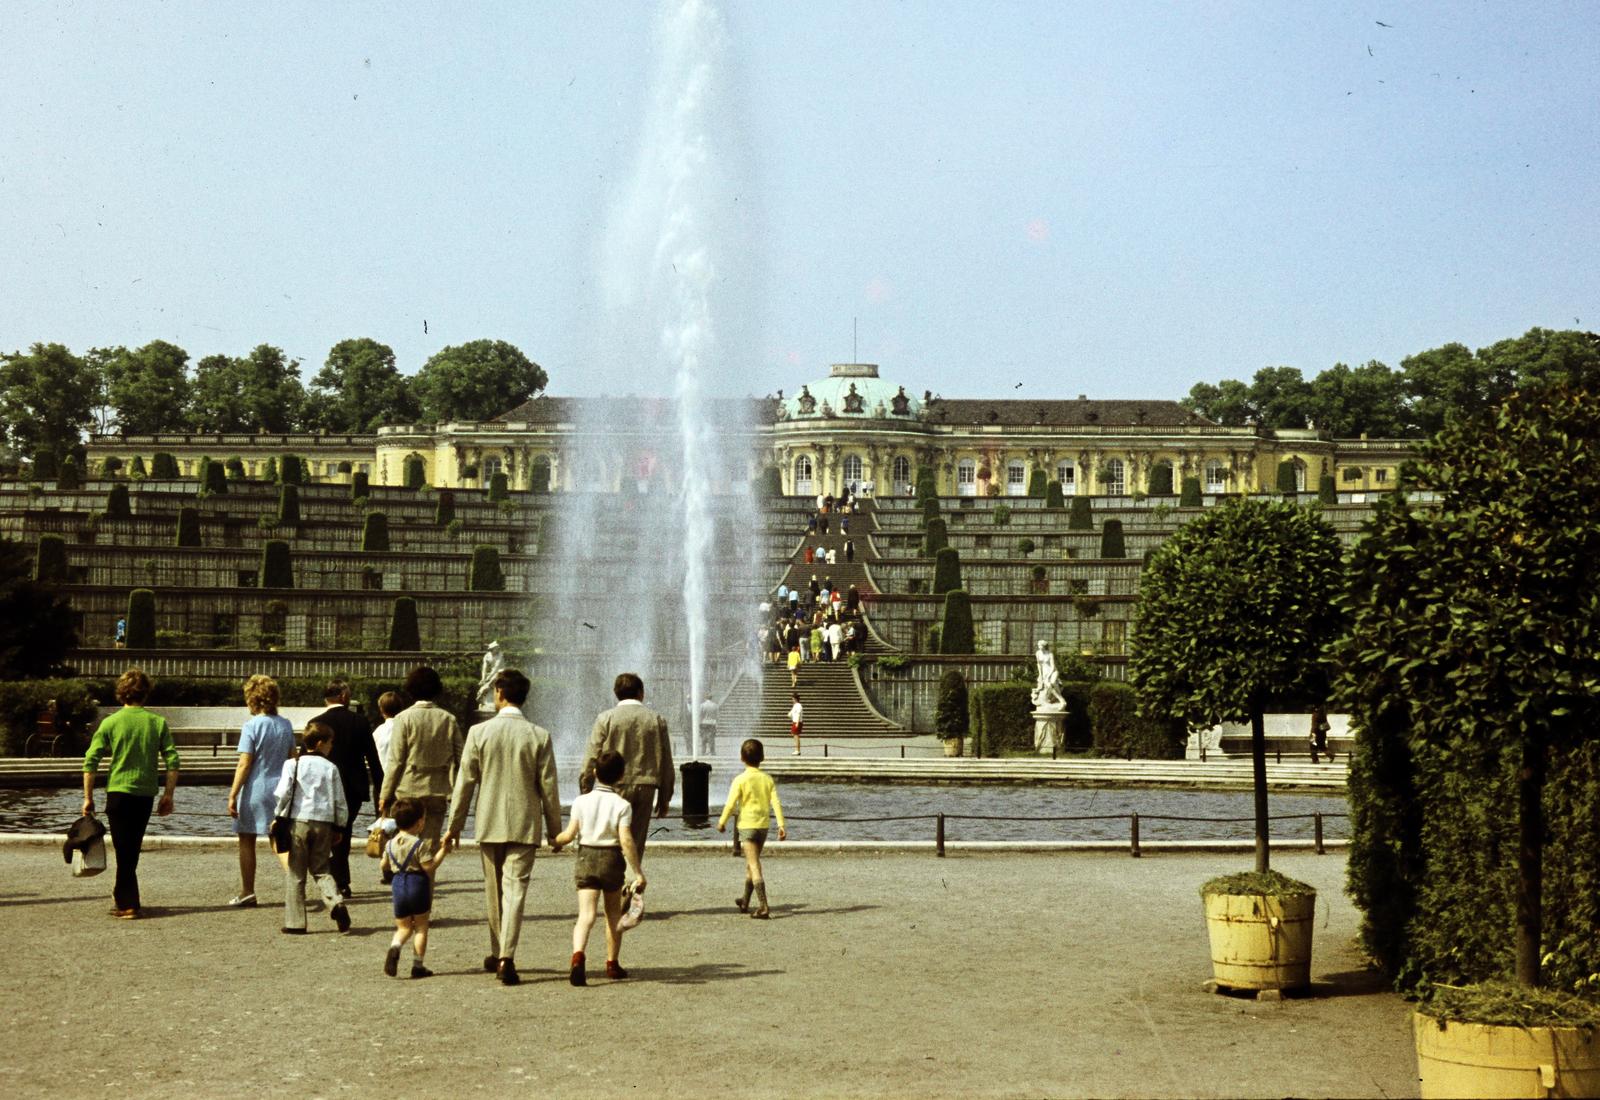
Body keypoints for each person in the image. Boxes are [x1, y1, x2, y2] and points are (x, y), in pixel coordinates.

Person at [443, 669, 562, 986]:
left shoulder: (478, 733)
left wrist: (454, 826)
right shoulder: (539, 735)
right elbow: (549, 789)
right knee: (516, 892)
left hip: (489, 821)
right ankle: (506, 956)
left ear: (498, 692)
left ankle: (498, 952)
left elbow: (464, 785)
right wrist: (555, 830)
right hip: (525, 823)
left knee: (493, 893)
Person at [81, 668, 179, 919]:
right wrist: (168, 794)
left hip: (118, 791)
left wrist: (88, 796)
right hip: (145, 792)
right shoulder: (157, 723)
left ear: (121, 693)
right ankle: (123, 896)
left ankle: (128, 904)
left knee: (123, 848)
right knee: (131, 848)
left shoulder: (110, 722)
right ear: (145, 693)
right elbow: (172, 760)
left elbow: (90, 761)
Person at [551, 750, 645, 986]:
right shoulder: (622, 805)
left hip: (586, 857)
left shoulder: (581, 802)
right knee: (613, 914)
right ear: (621, 776)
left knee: (586, 915)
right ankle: (612, 964)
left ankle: (577, 957)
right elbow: (625, 840)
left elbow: (569, 834)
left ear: (594, 773)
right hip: (611, 859)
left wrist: (555, 842)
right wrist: (638, 872)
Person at [582, 673, 674, 870]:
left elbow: (592, 755)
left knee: (611, 840)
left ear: (616, 693)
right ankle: (630, 888)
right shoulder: (656, 719)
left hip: (614, 785)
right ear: (641, 693)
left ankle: (613, 886)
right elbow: (666, 760)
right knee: (636, 842)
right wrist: (665, 796)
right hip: (646, 786)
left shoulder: (605, 718)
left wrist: (586, 787)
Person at [274, 721, 351, 936]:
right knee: (321, 868)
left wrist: (278, 817)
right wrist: (340, 826)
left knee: (296, 873)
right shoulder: (331, 767)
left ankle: (295, 922)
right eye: (330, 743)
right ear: (320, 743)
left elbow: (284, 794)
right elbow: (339, 800)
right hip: (324, 823)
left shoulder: (292, 765)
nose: (331, 747)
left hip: (299, 821)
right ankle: (335, 902)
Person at [225, 674, 295, 908]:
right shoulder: (285, 724)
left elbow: (245, 762)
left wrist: (233, 793)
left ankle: (248, 891)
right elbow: (293, 758)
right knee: (279, 838)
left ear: (252, 700)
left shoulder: (252, 726)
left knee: (247, 839)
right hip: (280, 787)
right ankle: (296, 883)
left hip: (256, 787)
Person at [378, 666, 464, 847]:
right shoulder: (448, 719)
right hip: (437, 789)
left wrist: (385, 793)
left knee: (406, 845)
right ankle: (427, 875)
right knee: (429, 846)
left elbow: (396, 761)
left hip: (409, 787)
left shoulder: (403, 718)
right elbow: (460, 759)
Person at [314, 678, 383, 899]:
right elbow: (373, 760)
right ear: (343, 696)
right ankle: (342, 881)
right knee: (344, 832)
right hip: (353, 786)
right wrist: (381, 792)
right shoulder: (360, 722)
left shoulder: (316, 722)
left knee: (327, 833)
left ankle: (333, 879)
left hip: (324, 786)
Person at [717, 739, 787, 919]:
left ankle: (763, 906)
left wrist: (722, 821)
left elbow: (731, 804)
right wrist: (781, 825)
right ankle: (745, 901)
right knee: (751, 863)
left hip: (747, 826)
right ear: (762, 758)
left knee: (754, 865)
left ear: (741, 758)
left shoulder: (739, 779)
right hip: (763, 826)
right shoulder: (767, 779)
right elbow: (776, 803)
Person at [382, 798, 447, 979]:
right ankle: (417, 965)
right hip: (417, 885)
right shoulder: (419, 844)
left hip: (398, 885)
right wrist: (443, 851)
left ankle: (395, 947)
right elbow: (430, 867)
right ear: (420, 822)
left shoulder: (390, 844)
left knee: (403, 928)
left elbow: (384, 865)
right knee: (420, 927)